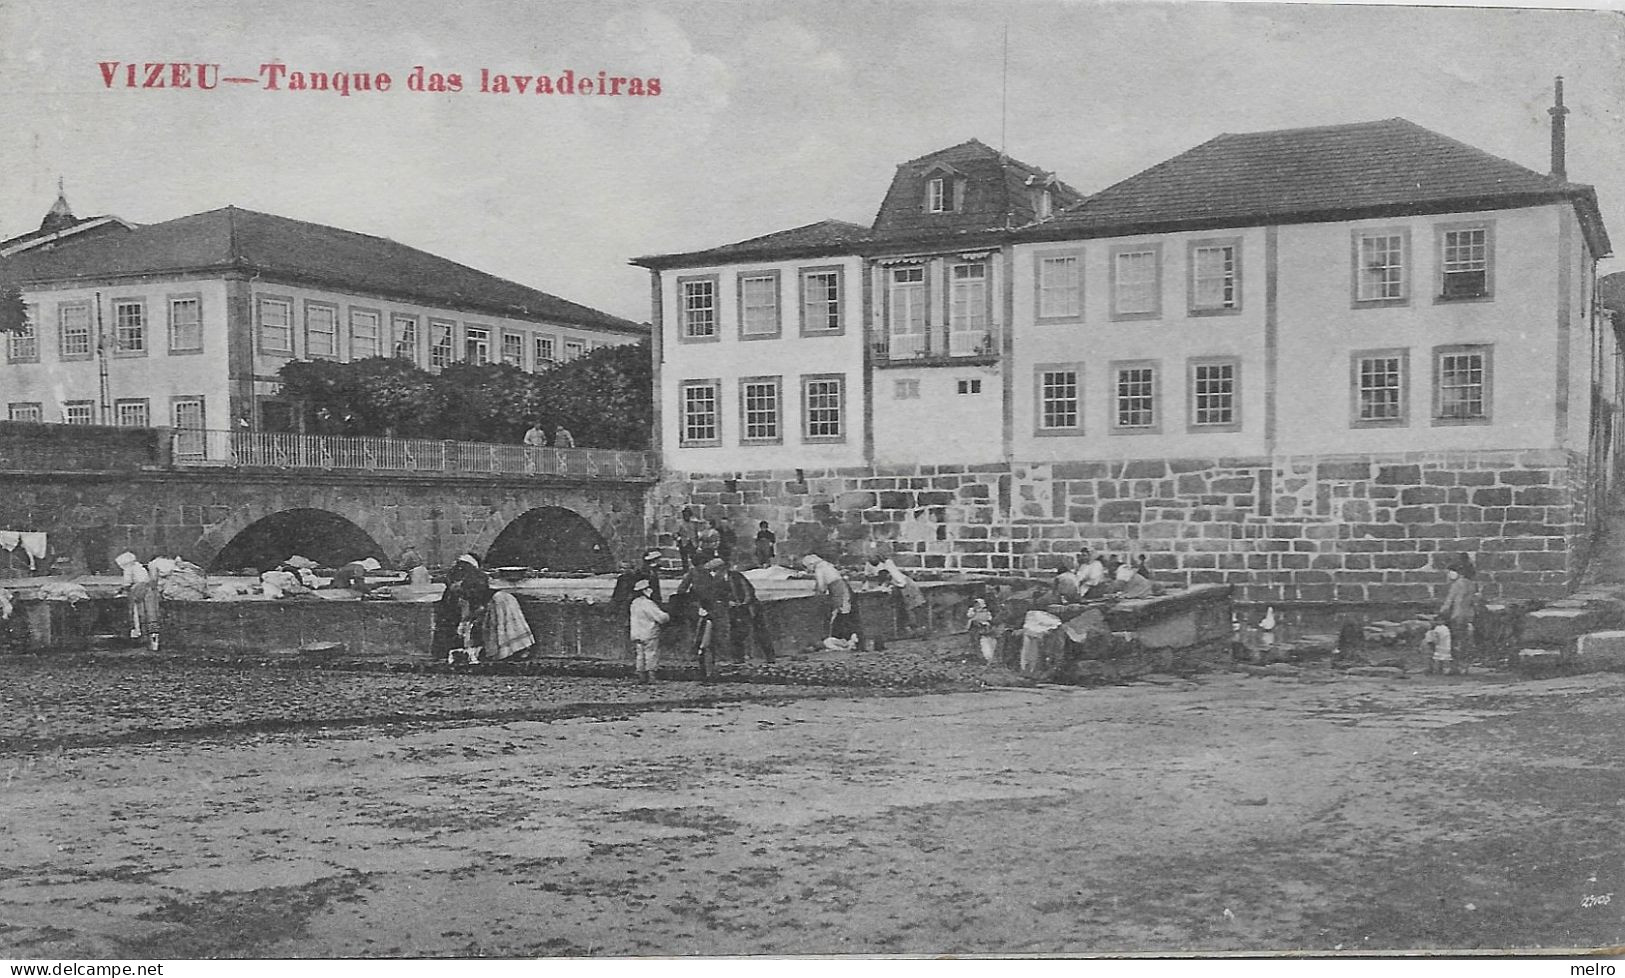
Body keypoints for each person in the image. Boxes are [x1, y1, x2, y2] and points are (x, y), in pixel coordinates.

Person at [674, 556, 732, 679]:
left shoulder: (719, 576)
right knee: (705, 642)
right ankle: (706, 672)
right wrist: (696, 605)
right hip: (703, 612)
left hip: (714, 612)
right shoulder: (697, 574)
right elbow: (682, 591)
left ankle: (708, 671)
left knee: (709, 643)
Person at [435, 554, 492, 663]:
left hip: (451, 605)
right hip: (465, 605)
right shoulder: (476, 574)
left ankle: (445, 654)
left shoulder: (455, 570)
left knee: (450, 629)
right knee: (466, 631)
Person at [803, 553, 861, 649]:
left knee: (838, 613)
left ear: (811, 564)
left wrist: (815, 593)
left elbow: (821, 587)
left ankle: (840, 638)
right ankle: (846, 638)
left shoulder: (819, 568)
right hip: (842, 589)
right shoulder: (827, 564)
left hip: (839, 591)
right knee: (843, 612)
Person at [725, 557, 776, 663]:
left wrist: (743, 603)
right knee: (737, 634)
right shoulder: (720, 579)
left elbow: (748, 591)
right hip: (737, 609)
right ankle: (738, 658)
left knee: (759, 631)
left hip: (750, 607)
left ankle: (769, 656)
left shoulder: (735, 576)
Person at [868, 553, 927, 636]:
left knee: (912, 608)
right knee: (909, 608)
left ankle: (919, 629)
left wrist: (891, 587)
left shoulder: (894, 573)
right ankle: (914, 629)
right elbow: (884, 583)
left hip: (908, 587)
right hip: (905, 587)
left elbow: (902, 583)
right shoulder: (887, 566)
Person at [1439, 554, 1480, 670]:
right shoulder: (1471, 584)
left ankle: (1454, 666)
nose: (1448, 575)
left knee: (1454, 641)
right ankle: (1464, 666)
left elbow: (1449, 602)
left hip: (1456, 616)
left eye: (1450, 572)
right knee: (1464, 641)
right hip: (1468, 616)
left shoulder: (1456, 585)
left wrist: (1441, 613)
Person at [115, 551, 161, 651]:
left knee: (138, 614)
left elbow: (127, 583)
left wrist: (121, 590)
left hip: (138, 591)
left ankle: (140, 635)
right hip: (150, 592)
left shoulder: (129, 569)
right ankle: (154, 640)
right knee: (152, 615)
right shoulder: (140, 567)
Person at [628, 578, 670, 681]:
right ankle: (652, 676)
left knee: (640, 655)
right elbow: (661, 618)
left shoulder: (634, 603)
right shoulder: (648, 603)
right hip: (649, 632)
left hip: (636, 632)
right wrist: (667, 615)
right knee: (651, 654)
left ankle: (641, 675)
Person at [483, 587, 535, 662]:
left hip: (501, 599)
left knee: (507, 622)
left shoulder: (501, 598)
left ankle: (514, 647)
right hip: (497, 600)